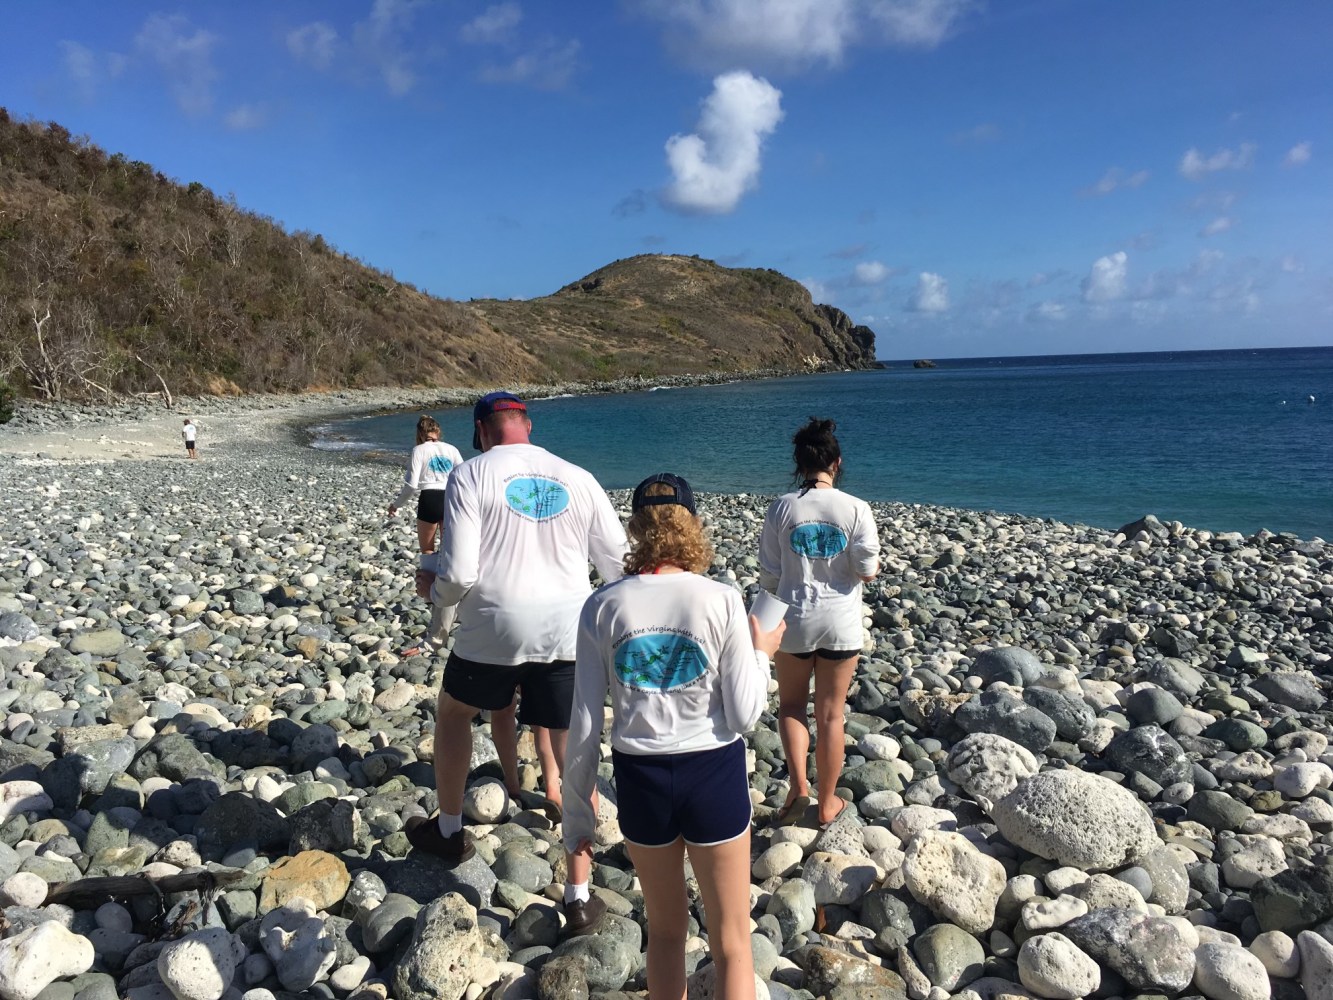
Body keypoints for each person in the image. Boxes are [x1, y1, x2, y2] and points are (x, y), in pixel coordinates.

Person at [412, 391, 627, 936]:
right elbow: (617, 565)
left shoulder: (471, 474)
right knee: (573, 745)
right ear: (527, 426)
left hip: (494, 627)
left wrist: (437, 608)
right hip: (566, 627)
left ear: (482, 431)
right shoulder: (578, 476)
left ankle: (451, 828)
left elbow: (459, 572)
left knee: (456, 712)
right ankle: (578, 895)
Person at [563, 474, 784, 1000]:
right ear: (693, 523)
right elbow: (747, 713)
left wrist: (577, 817)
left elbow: (586, 724)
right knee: (732, 938)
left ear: (635, 528)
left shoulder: (603, 604)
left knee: (665, 933)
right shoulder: (722, 599)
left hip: (641, 776)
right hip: (712, 771)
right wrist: (762, 653)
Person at [759, 418, 880, 827]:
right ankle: (828, 804)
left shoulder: (781, 507)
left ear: (800, 463)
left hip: (793, 620)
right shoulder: (856, 508)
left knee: (791, 706)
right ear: (837, 463)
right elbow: (867, 570)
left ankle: (798, 787)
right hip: (841, 622)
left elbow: (770, 576)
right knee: (831, 715)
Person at [388, 415, 463, 556]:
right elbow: (464, 477)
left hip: (429, 499)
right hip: (450, 497)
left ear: (420, 434)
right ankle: (447, 577)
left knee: (427, 550)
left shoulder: (419, 450)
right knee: (450, 550)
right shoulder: (452, 449)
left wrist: (396, 505)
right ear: (438, 432)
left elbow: (411, 485)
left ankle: (430, 576)